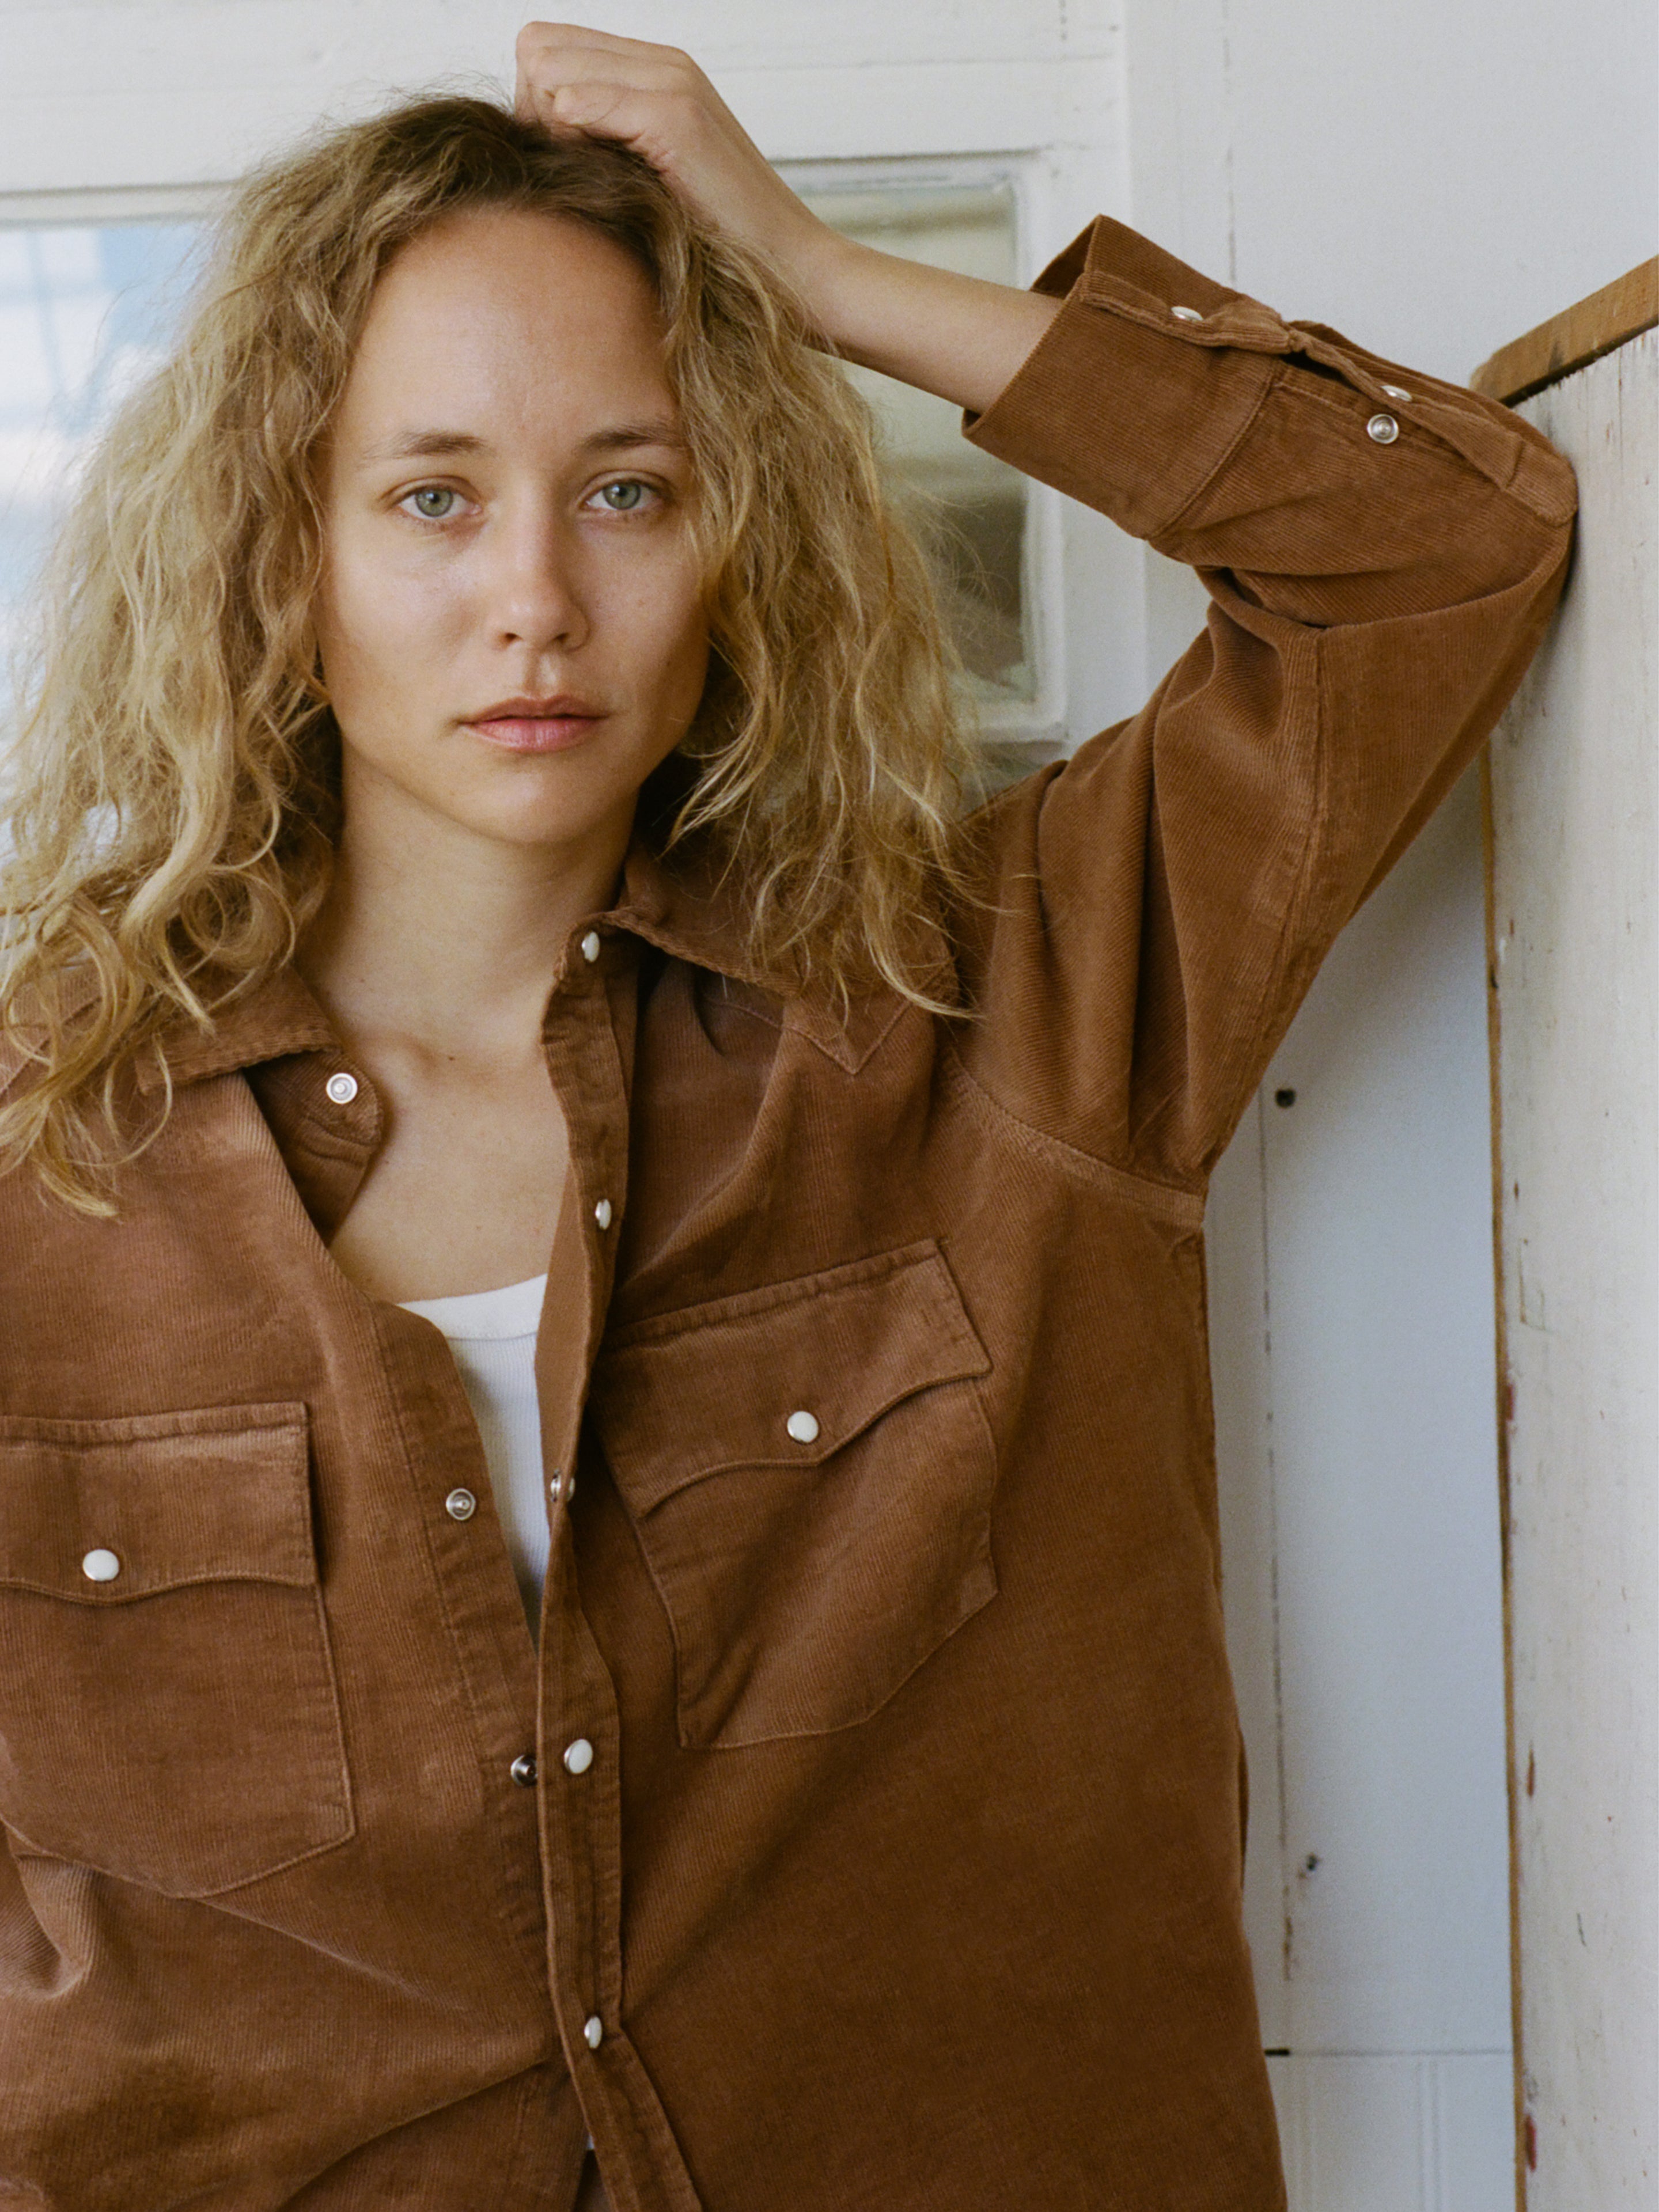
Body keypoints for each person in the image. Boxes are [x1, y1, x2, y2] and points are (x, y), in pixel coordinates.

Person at [0, 24, 1574, 2211]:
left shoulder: (997, 1005)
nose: (535, 594)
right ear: (288, 567)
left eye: (630, 485)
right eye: (431, 495)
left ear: (741, 535)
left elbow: (1437, 545)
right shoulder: (43, 1151)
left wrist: (812, 278)